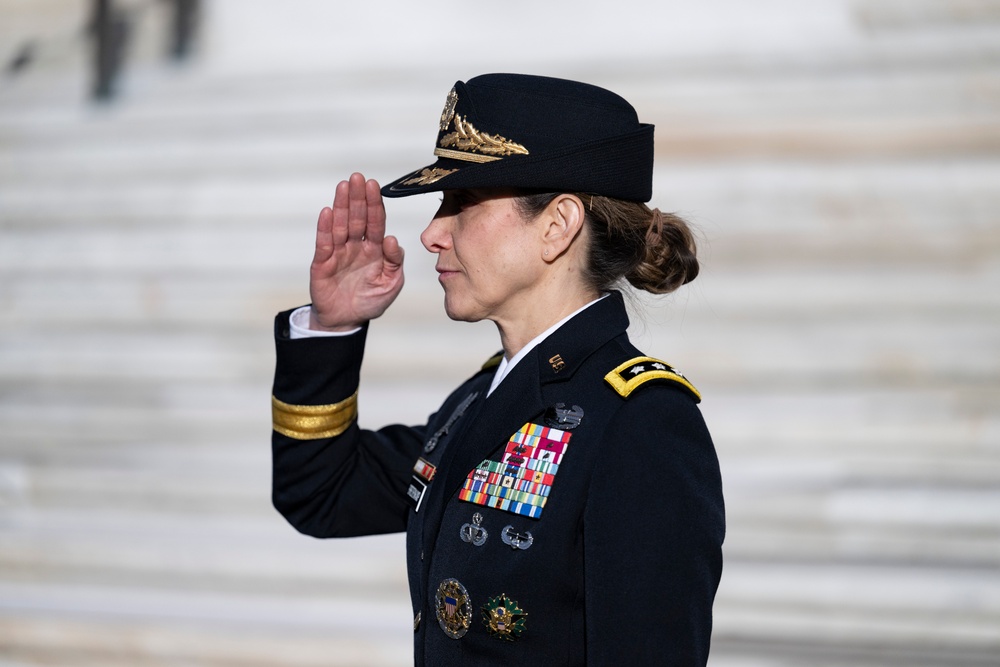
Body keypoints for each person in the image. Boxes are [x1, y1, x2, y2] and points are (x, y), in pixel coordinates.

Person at [271, 73, 725, 666]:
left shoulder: (642, 421)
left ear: (558, 225)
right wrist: (332, 328)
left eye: (463, 203)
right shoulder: (487, 395)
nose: (433, 233)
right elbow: (323, 495)